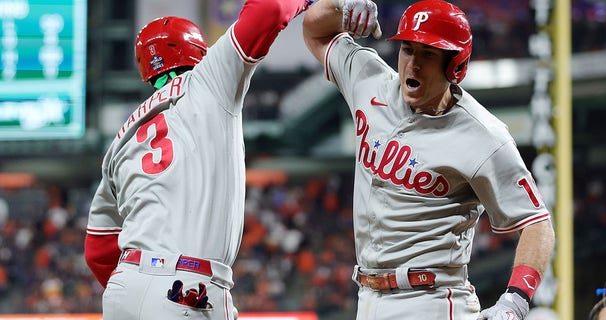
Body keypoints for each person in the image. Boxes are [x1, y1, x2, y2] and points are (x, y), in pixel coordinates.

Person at [302, 0, 556, 319]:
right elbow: (315, 30)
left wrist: (516, 299)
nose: (413, 64)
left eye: (428, 54)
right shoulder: (369, 81)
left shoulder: (484, 136)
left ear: (455, 66)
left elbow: (536, 223)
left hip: (430, 300)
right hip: (366, 297)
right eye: (408, 49)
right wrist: (339, 8)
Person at [84, 1, 313, 319]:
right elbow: (270, 8)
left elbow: (98, 249)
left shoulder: (122, 137)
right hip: (187, 285)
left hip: (124, 288)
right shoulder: (208, 81)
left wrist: (140, 292)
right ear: (198, 51)